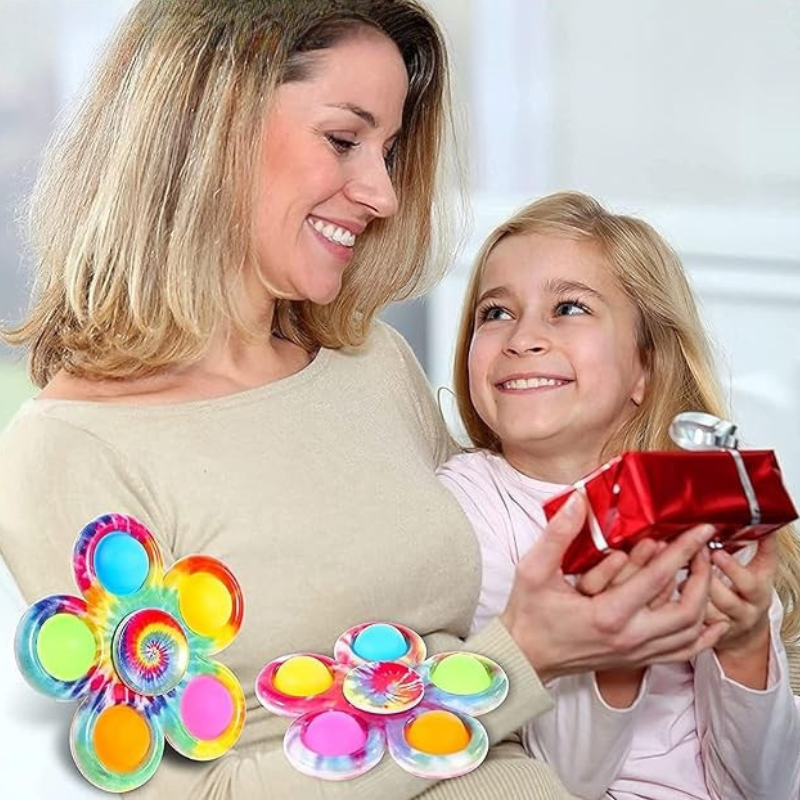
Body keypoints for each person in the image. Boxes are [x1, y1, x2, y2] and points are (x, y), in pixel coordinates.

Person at [0, 2, 729, 797]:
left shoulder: (370, 363)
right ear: (208, 128)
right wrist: (521, 659)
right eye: (344, 140)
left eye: (389, 151)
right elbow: (197, 794)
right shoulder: (73, 447)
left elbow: (507, 564)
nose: (382, 194)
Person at [437, 190, 800, 800]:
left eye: (569, 307)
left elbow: (766, 785)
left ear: (645, 367)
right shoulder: (471, 507)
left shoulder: (695, 497)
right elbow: (562, 780)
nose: (523, 337)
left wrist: (742, 644)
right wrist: (617, 652)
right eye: (495, 313)